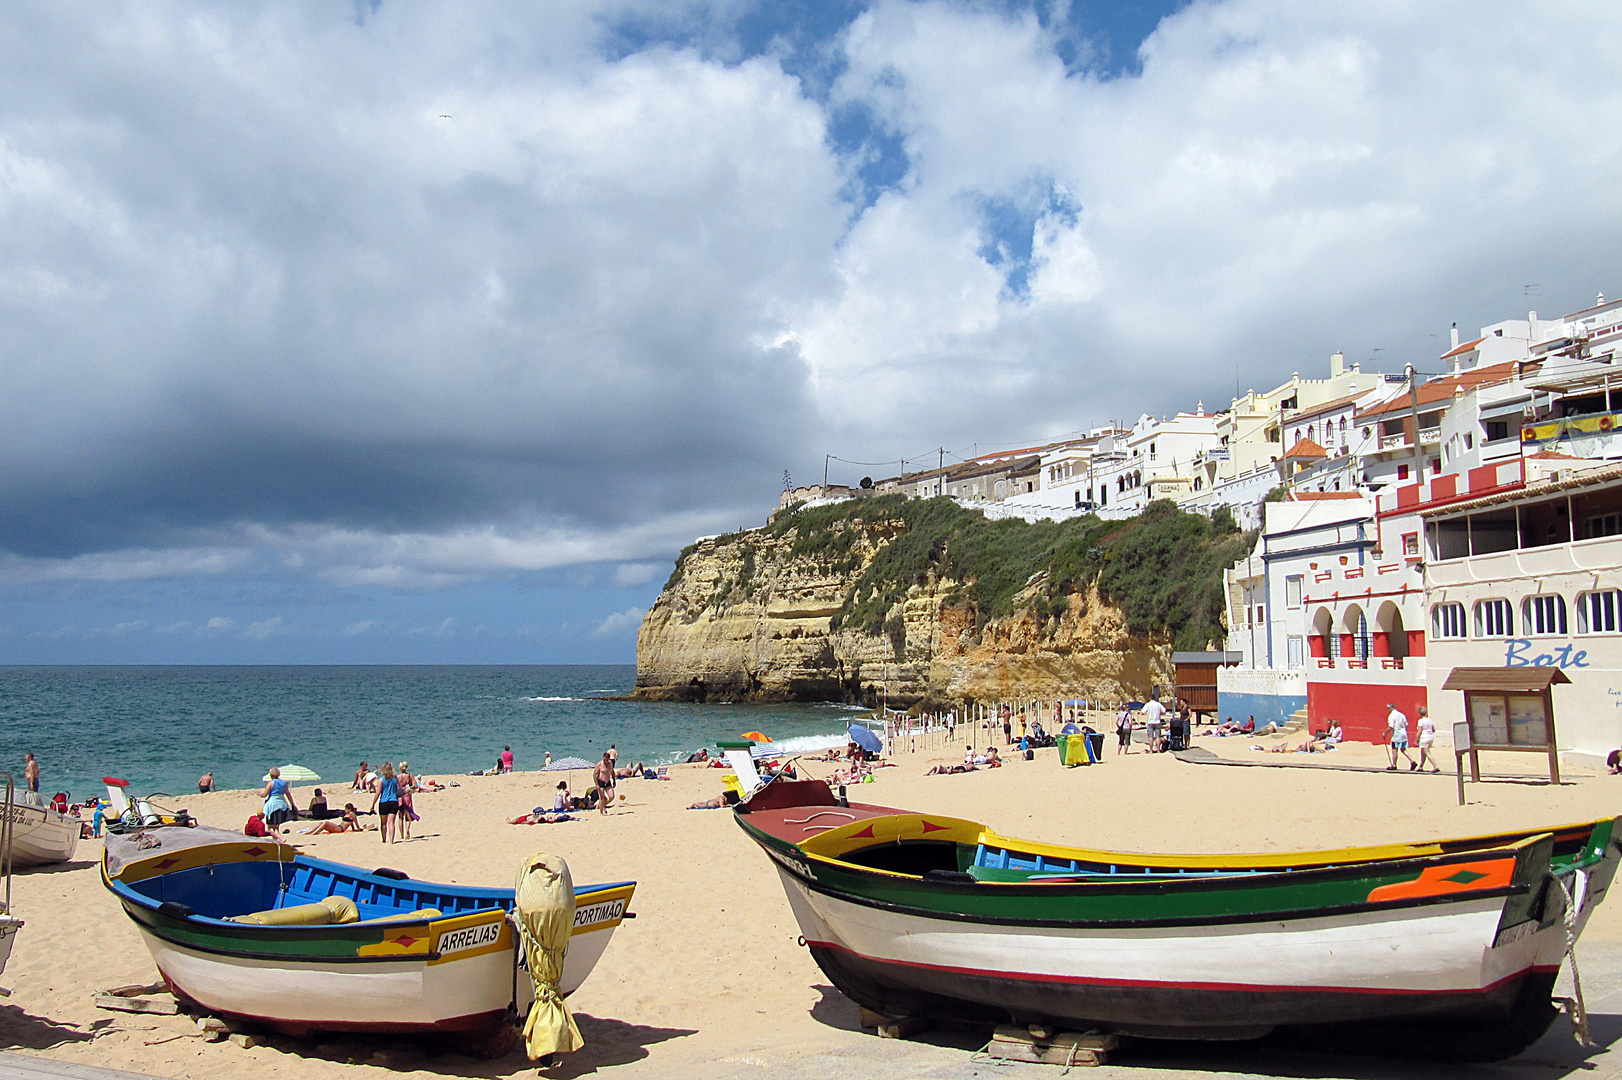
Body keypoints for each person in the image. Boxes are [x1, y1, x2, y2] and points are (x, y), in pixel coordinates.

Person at [371, 762, 401, 844]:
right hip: (394, 801)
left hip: (384, 802)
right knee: (391, 822)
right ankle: (391, 840)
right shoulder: (395, 778)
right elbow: (399, 789)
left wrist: (373, 804)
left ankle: (384, 839)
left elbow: (378, 792)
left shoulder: (381, 780)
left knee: (383, 823)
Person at [1385, 703, 1416, 771]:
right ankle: (1412, 761)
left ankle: (1394, 765)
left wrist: (1385, 733)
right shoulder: (1401, 715)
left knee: (1394, 750)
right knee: (1403, 749)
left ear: (1390, 708)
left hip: (1396, 735)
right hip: (1403, 734)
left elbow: (1391, 726)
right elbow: (1406, 724)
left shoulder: (1391, 716)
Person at [1415, 707, 1439, 773]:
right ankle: (1421, 766)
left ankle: (1435, 766)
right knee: (1423, 752)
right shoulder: (1430, 720)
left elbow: (1419, 731)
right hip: (1430, 737)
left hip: (1424, 738)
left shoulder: (1420, 721)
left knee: (1427, 752)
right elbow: (1433, 729)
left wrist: (1416, 739)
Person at [397, 762, 418, 840]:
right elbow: (416, 786)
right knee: (408, 815)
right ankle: (407, 830)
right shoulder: (410, 775)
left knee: (400, 817)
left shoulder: (397, 777)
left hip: (399, 796)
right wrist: (410, 787)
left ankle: (401, 835)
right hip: (407, 795)